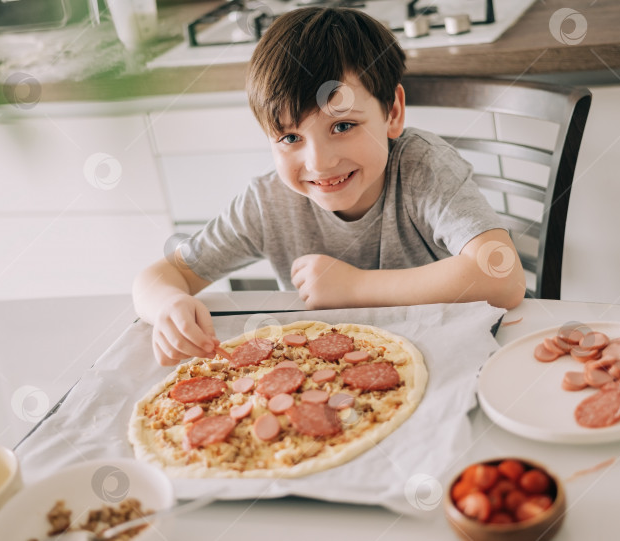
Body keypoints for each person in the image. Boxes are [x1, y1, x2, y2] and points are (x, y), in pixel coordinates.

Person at [133, 7, 526, 366]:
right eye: (289, 138)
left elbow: (503, 276)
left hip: (446, 361)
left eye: (342, 126)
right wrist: (169, 305)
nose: (319, 162)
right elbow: (159, 276)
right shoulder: (267, 202)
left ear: (393, 112)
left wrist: (356, 286)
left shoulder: (422, 168)